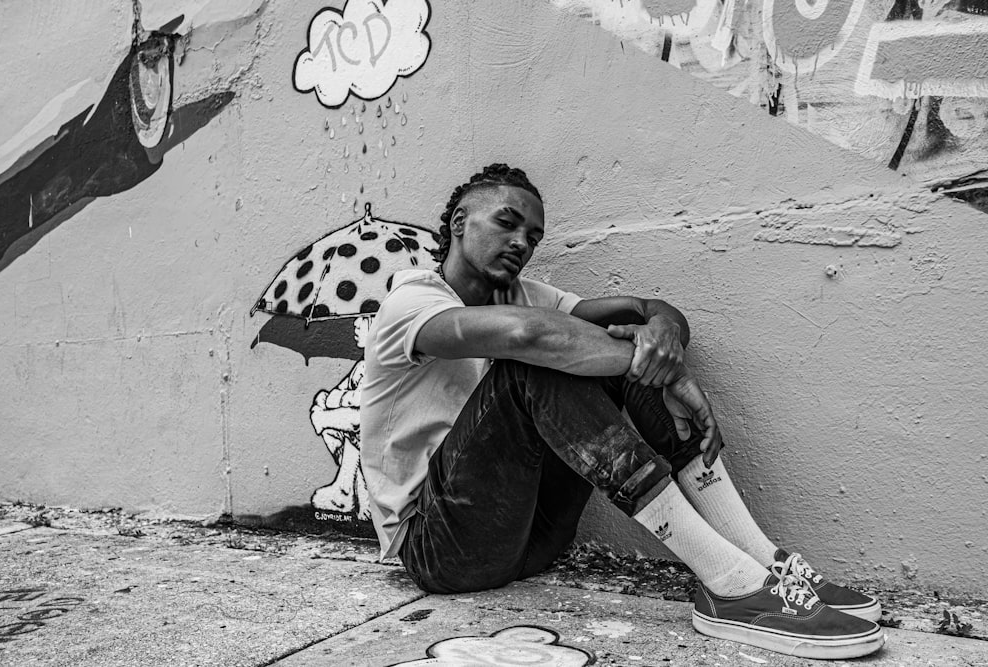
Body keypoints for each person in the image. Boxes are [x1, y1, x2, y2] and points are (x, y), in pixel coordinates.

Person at [359, 164, 886, 659]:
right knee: (538, 362)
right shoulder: (412, 303)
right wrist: (668, 372)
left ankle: (761, 559)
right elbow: (526, 335)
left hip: (533, 538)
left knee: (613, 348)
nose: (521, 243)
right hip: (439, 546)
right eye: (507, 223)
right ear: (458, 222)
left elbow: (649, 310)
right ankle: (731, 583)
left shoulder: (526, 294)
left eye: (534, 237)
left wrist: (663, 339)